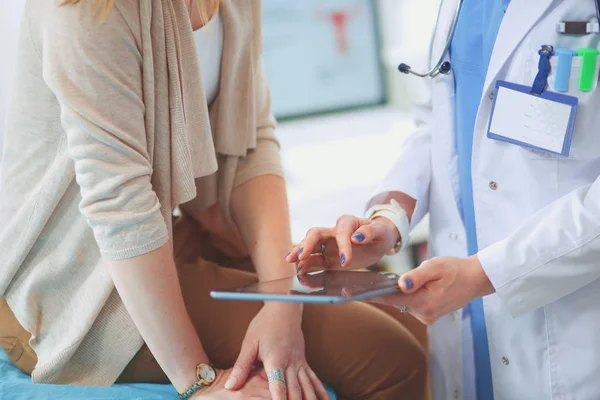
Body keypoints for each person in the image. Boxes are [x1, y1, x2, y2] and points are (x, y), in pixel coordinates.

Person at [0, 0, 429, 399]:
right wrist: (198, 381)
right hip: (65, 285)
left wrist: (281, 302)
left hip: (164, 232)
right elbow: (121, 208)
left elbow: (253, 141)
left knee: (411, 321)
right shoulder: (88, 13)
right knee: (393, 358)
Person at [289, 0, 600, 399]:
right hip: (468, 322)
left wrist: (485, 274)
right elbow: (440, 122)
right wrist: (388, 219)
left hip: (573, 330)